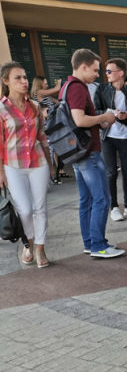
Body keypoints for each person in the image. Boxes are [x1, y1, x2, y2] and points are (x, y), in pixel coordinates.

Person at [66, 49, 123, 259]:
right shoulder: (78, 88)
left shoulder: (68, 86)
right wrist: (103, 118)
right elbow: (80, 120)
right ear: (83, 66)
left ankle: (90, 243)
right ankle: (98, 245)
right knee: (101, 199)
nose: (98, 75)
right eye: (95, 70)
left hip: (79, 152)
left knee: (87, 200)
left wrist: (100, 120)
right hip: (88, 152)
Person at [0, 62, 51, 268]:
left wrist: (50, 163)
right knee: (25, 210)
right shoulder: (1, 109)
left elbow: (42, 136)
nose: (24, 81)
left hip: (38, 163)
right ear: (6, 81)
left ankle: (40, 248)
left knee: (40, 208)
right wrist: (1, 172)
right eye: (18, 78)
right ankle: (28, 244)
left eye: (25, 77)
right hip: (13, 165)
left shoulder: (35, 107)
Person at [94, 58, 127, 222]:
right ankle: (114, 207)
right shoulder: (102, 89)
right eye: (106, 71)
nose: (107, 74)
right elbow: (96, 110)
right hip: (107, 136)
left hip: (125, 137)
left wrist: (126, 116)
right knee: (110, 173)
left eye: (110, 71)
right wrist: (109, 113)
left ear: (121, 73)